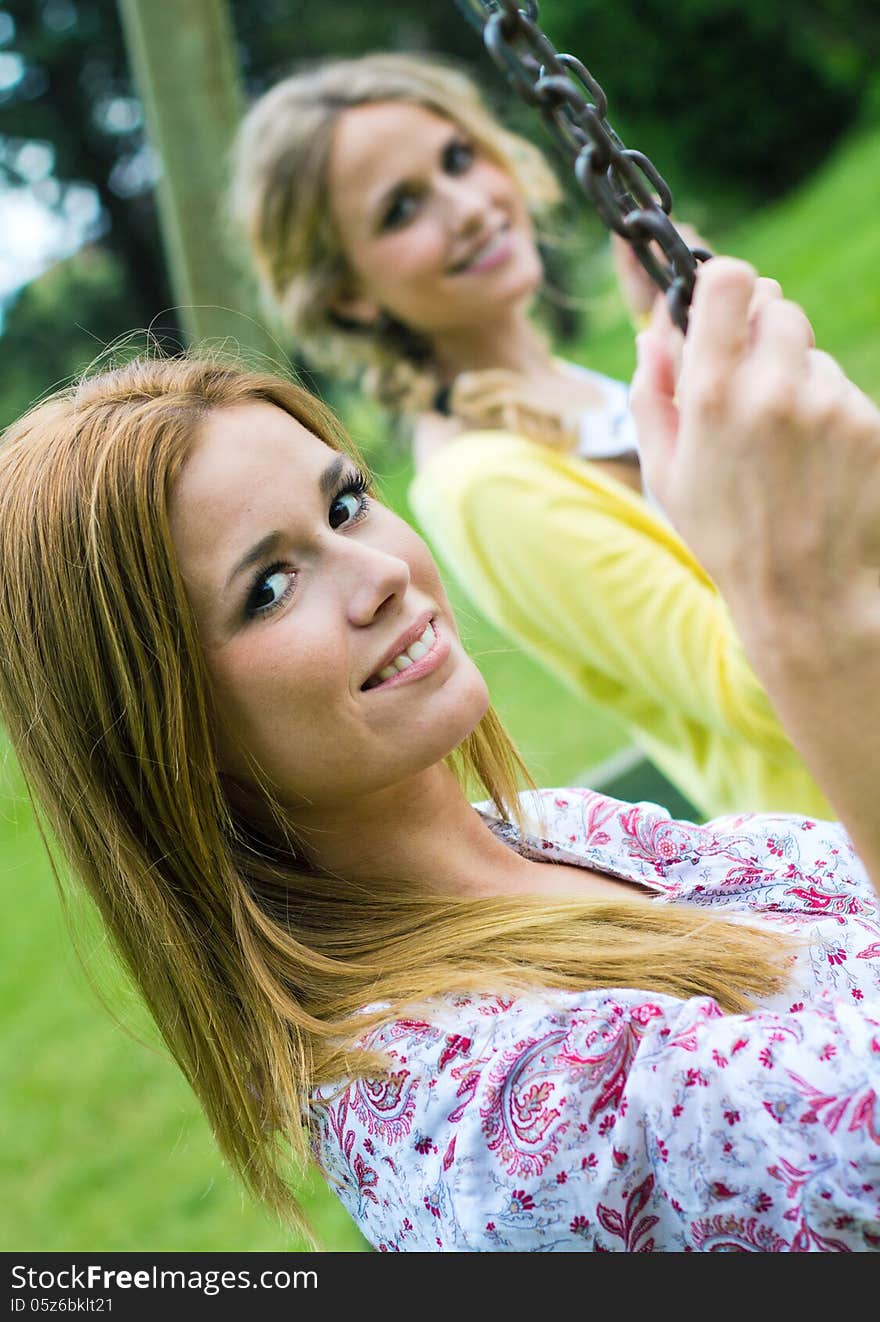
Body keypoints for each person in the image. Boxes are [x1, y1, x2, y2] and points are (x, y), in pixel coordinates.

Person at [1, 260, 878, 1254]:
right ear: (168, 736)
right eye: (270, 587)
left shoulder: (554, 830)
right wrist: (807, 617)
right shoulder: (478, 1119)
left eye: (344, 504)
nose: (378, 573)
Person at [228, 49, 833, 822]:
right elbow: (756, 693)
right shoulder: (484, 485)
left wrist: (678, 349)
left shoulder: (570, 387)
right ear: (349, 295)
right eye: (402, 209)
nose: (469, 206)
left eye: (458, 159)